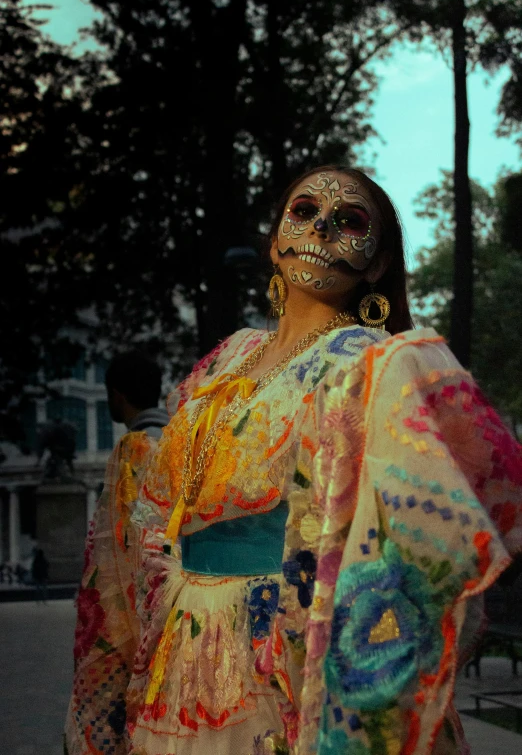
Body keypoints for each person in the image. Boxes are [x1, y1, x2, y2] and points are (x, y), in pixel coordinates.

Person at [83, 166, 520, 755]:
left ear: (379, 263)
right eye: (304, 211)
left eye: (350, 221)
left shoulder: (372, 366)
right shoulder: (225, 361)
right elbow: (155, 510)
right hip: (179, 655)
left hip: (282, 659)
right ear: (274, 239)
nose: (321, 228)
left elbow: (410, 539)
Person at [65, 350, 169, 755]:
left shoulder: (132, 448)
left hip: (135, 603)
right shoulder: (177, 438)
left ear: (116, 395)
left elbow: (116, 545)